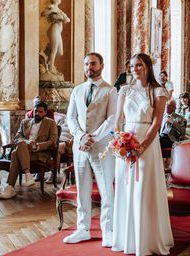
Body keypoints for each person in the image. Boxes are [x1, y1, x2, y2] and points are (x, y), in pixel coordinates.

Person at [112, 53, 173, 256]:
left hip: (147, 143)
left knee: (143, 189)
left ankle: (147, 239)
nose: (135, 69)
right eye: (132, 66)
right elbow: (118, 119)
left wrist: (141, 147)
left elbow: (157, 123)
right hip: (125, 144)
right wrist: (121, 142)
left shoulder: (158, 91)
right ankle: (126, 238)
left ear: (147, 66)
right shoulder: (125, 90)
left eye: (139, 65)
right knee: (126, 186)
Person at [64, 52, 117, 246]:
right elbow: (71, 118)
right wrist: (80, 136)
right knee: (82, 189)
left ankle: (108, 230)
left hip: (102, 147)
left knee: (106, 190)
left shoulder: (110, 91)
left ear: (101, 66)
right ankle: (82, 228)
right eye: (86, 64)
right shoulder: (77, 90)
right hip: (80, 147)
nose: (89, 67)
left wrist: (93, 138)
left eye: (93, 64)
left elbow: (112, 120)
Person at [0, 101, 58, 199]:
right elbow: (17, 138)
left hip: (39, 152)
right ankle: (28, 174)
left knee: (14, 153)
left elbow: (53, 141)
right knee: (20, 145)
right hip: (25, 150)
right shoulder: (25, 122)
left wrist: (37, 145)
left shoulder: (51, 123)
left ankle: (10, 187)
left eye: (40, 112)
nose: (37, 114)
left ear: (45, 113)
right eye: (36, 111)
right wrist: (27, 143)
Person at [41, 0, 70, 74]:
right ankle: (51, 69)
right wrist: (52, 11)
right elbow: (43, 14)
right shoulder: (52, 7)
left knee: (60, 52)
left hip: (58, 31)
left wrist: (62, 17)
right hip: (54, 29)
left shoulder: (59, 10)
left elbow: (68, 20)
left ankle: (47, 61)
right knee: (54, 50)